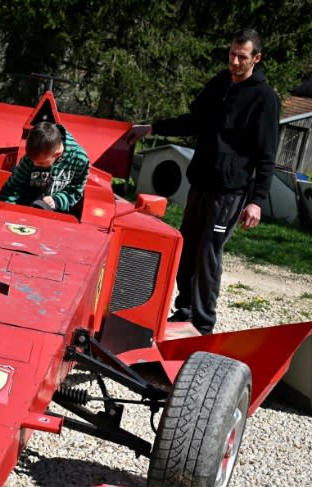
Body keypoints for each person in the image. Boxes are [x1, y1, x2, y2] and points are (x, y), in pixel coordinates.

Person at [126, 28, 280, 335]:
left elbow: (266, 154)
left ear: (257, 58)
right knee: (189, 245)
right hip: (201, 183)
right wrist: (154, 127)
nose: (234, 61)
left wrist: (257, 201)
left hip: (230, 190)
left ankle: (203, 322)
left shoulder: (265, 99)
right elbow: (193, 121)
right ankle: (184, 312)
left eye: (242, 57)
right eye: (232, 54)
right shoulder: (220, 84)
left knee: (209, 252)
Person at [0, 121, 90, 212]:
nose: (34, 164)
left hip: (57, 215)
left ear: (57, 154)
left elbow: (76, 190)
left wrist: (58, 200)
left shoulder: (80, 159)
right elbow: (13, 188)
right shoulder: (31, 158)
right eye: (32, 160)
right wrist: (7, 211)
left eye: (41, 163)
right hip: (25, 209)